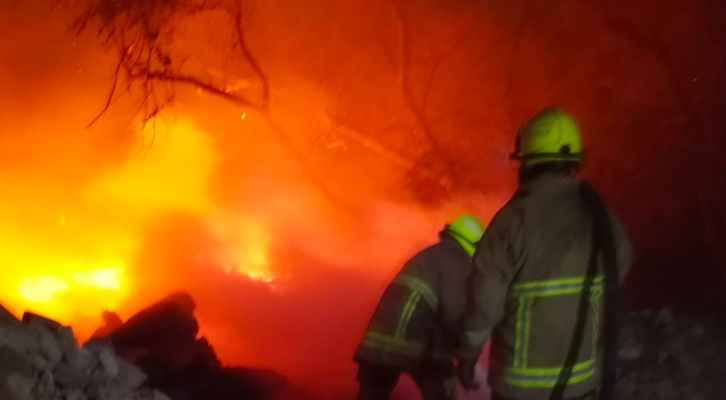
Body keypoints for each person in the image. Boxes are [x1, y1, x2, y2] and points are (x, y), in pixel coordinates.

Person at [455, 107, 632, 400]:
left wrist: (467, 354)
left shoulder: (512, 221)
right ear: (574, 161)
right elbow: (617, 272)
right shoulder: (602, 218)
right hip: (581, 385)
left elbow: (484, 303)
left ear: (526, 163)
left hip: (520, 390)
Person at [354, 215, 486, 400]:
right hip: (418, 342)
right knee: (442, 389)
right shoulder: (457, 263)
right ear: (474, 244)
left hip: (378, 340)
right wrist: (465, 351)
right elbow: (453, 314)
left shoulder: (427, 255)